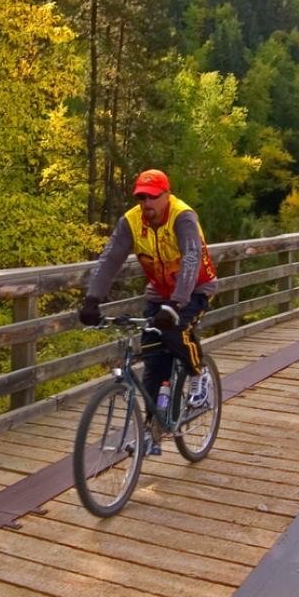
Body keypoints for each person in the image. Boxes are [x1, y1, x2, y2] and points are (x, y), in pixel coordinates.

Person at [77, 169, 217, 455]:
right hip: (158, 293)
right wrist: (92, 299)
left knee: (176, 331)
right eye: (141, 197)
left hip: (194, 289)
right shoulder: (131, 221)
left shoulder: (182, 216)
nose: (146, 204)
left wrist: (177, 303)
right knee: (153, 358)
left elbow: (191, 259)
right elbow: (110, 258)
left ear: (167, 195)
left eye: (152, 197)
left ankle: (197, 372)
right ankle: (154, 430)